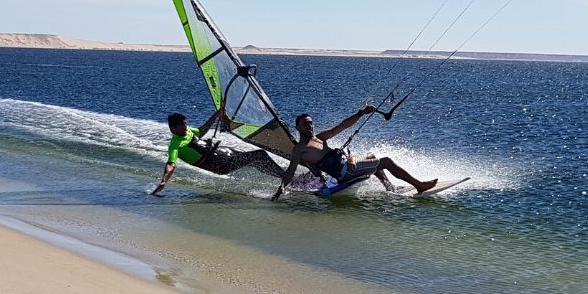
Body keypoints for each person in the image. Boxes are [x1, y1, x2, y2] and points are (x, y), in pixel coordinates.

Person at [271, 106, 437, 200]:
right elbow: (290, 171)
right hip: (344, 173)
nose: (310, 127)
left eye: (311, 124)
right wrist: (281, 188)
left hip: (349, 166)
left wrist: (360, 113)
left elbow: (342, 126)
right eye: (306, 125)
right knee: (385, 161)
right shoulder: (299, 149)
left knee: (371, 156)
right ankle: (419, 185)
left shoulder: (320, 138)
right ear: (298, 128)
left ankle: (389, 187)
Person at [154, 103, 285, 195]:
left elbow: (202, 130)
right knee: (259, 155)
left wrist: (217, 114)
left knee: (255, 161)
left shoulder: (187, 131)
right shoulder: (175, 145)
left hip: (224, 153)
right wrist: (164, 181)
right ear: (173, 129)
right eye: (182, 126)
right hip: (221, 165)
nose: (186, 127)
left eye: (186, 124)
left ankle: (283, 177)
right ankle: (286, 177)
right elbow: (171, 164)